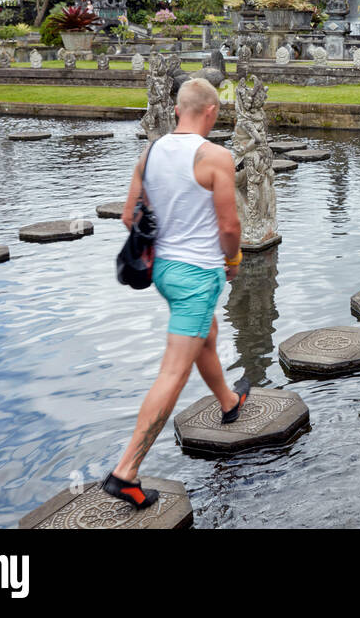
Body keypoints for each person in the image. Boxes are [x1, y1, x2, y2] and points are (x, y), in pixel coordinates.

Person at [103, 78, 248, 510]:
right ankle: (125, 471)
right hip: (198, 275)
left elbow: (131, 215)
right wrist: (234, 262)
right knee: (173, 372)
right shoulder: (215, 157)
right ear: (210, 112)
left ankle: (228, 402)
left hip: (163, 271)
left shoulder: (151, 152)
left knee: (207, 330)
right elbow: (229, 227)